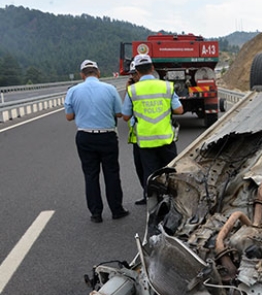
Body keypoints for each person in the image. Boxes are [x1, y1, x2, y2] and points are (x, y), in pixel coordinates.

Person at [64, 59, 129, 223]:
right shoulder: (110, 89)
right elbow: (120, 113)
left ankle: (96, 213)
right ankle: (116, 209)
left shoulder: (73, 91)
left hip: (85, 136)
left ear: (82, 75)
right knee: (112, 173)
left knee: (90, 175)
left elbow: (69, 116)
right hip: (107, 136)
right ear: (98, 73)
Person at [122, 54, 184, 205]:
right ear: (152, 68)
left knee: (150, 174)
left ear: (136, 70)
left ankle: (154, 206)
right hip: (165, 138)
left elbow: (125, 116)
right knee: (169, 172)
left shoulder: (133, 90)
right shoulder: (166, 86)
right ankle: (174, 203)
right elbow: (179, 110)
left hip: (145, 141)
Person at [125, 61, 146, 205]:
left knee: (144, 168)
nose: (132, 76)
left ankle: (150, 195)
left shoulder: (134, 91)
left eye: (133, 74)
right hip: (158, 135)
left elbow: (125, 115)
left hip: (142, 136)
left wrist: (129, 90)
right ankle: (149, 194)